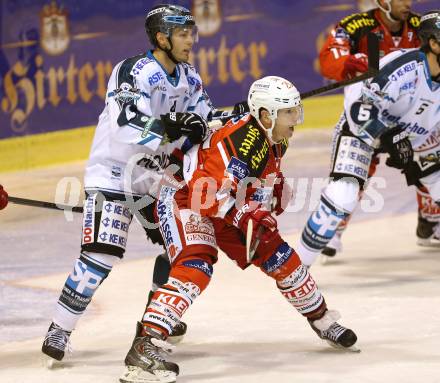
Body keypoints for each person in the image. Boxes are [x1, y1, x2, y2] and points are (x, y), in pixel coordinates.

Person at [119, 76, 358, 383]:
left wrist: (264, 199)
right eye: (288, 113)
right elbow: (204, 196)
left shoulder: (274, 138)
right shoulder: (239, 142)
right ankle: (145, 345)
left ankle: (322, 319)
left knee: (282, 257)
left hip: (221, 199)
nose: (296, 120)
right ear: (265, 116)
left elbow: (252, 180)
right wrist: (246, 216)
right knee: (196, 265)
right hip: (185, 197)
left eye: (295, 111)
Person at [41, 4, 242, 364]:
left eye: (190, 33)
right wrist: (171, 127)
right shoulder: (135, 71)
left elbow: (204, 119)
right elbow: (124, 121)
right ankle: (60, 328)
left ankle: (152, 322)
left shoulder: (190, 77)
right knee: (99, 256)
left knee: (181, 245)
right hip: (115, 172)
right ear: (161, 38)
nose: (190, 40)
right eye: (182, 34)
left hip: (156, 179)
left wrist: (237, 117)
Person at [297, 10, 440, 268]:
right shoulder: (368, 34)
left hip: (414, 128)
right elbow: (358, 105)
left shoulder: (417, 24)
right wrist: (386, 133)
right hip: (365, 126)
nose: (406, 4)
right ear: (432, 43)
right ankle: (298, 265)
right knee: (344, 194)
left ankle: (431, 221)